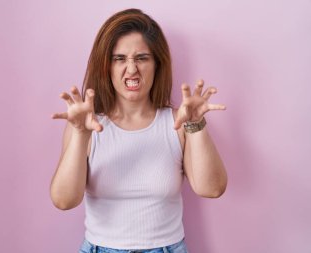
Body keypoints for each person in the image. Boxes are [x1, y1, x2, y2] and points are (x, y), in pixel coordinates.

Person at [50, 8, 227, 253]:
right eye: (119, 58)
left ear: (157, 64)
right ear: (106, 67)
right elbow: (63, 200)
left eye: (141, 58)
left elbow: (212, 188)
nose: (131, 69)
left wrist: (196, 125)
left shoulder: (179, 124)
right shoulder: (86, 126)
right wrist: (80, 133)